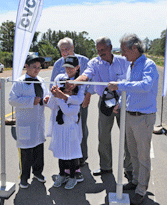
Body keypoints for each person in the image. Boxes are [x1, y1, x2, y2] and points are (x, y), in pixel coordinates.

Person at [108, 33, 159, 205]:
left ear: (134, 49)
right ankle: (136, 181)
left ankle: (141, 190)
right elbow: (129, 90)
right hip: (129, 116)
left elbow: (145, 86)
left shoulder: (148, 65)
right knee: (133, 153)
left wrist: (120, 86)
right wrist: (121, 103)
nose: (122, 55)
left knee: (143, 156)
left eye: (124, 51)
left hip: (143, 118)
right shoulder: (131, 65)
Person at [72, 36, 132, 179]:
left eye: (103, 50)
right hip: (105, 103)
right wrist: (74, 82)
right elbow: (87, 75)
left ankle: (129, 168)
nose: (100, 53)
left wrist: (121, 101)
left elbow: (130, 82)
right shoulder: (95, 63)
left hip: (124, 102)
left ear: (111, 48)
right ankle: (106, 167)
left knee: (127, 137)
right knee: (103, 136)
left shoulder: (123, 62)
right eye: (98, 50)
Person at [50, 37, 93, 181]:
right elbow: (53, 83)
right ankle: (65, 165)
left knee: (80, 131)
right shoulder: (58, 64)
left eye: (68, 48)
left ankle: (80, 160)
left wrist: (88, 95)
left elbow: (91, 79)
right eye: (62, 49)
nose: (65, 52)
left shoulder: (84, 60)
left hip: (79, 101)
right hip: (62, 105)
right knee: (64, 133)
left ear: (73, 47)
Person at [9, 54, 50, 189]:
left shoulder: (41, 80)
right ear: (26, 66)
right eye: (34, 67)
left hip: (38, 122)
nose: (37, 70)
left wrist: (46, 99)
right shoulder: (19, 82)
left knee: (39, 149)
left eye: (39, 67)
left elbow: (46, 94)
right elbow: (12, 100)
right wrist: (30, 101)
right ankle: (24, 177)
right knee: (26, 152)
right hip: (26, 122)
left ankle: (38, 173)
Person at [47, 57, 83, 189]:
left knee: (72, 153)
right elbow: (52, 105)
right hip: (59, 126)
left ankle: (73, 177)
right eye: (66, 67)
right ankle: (62, 175)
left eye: (71, 67)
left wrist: (61, 98)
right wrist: (50, 98)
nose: (68, 70)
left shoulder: (80, 85)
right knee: (61, 152)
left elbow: (70, 108)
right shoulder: (60, 78)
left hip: (70, 127)